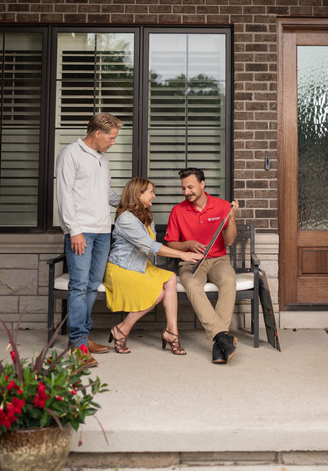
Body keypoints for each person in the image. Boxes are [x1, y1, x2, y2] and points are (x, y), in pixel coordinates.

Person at [103, 178, 201, 354]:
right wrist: (182, 254)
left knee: (170, 278)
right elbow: (150, 246)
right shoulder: (126, 219)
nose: (154, 196)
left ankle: (172, 331)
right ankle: (122, 329)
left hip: (140, 265)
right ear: (138, 194)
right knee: (158, 293)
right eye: (150, 192)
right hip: (122, 268)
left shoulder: (145, 215)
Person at [55, 112, 123, 367]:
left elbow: (106, 193)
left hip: (103, 230)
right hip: (81, 232)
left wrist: (130, 199)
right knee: (79, 285)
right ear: (97, 133)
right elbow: (64, 195)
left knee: (93, 285)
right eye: (111, 137)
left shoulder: (102, 158)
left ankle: (83, 336)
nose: (113, 143)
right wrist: (74, 230)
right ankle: (77, 344)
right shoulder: (70, 154)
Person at [164, 168, 240, 364]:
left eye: (190, 187)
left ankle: (219, 340)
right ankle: (222, 337)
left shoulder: (222, 206)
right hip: (191, 261)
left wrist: (231, 218)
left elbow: (230, 241)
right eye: (183, 188)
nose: (186, 191)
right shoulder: (177, 211)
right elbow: (171, 243)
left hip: (218, 260)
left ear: (202, 184)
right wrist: (188, 244)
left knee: (229, 279)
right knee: (190, 283)